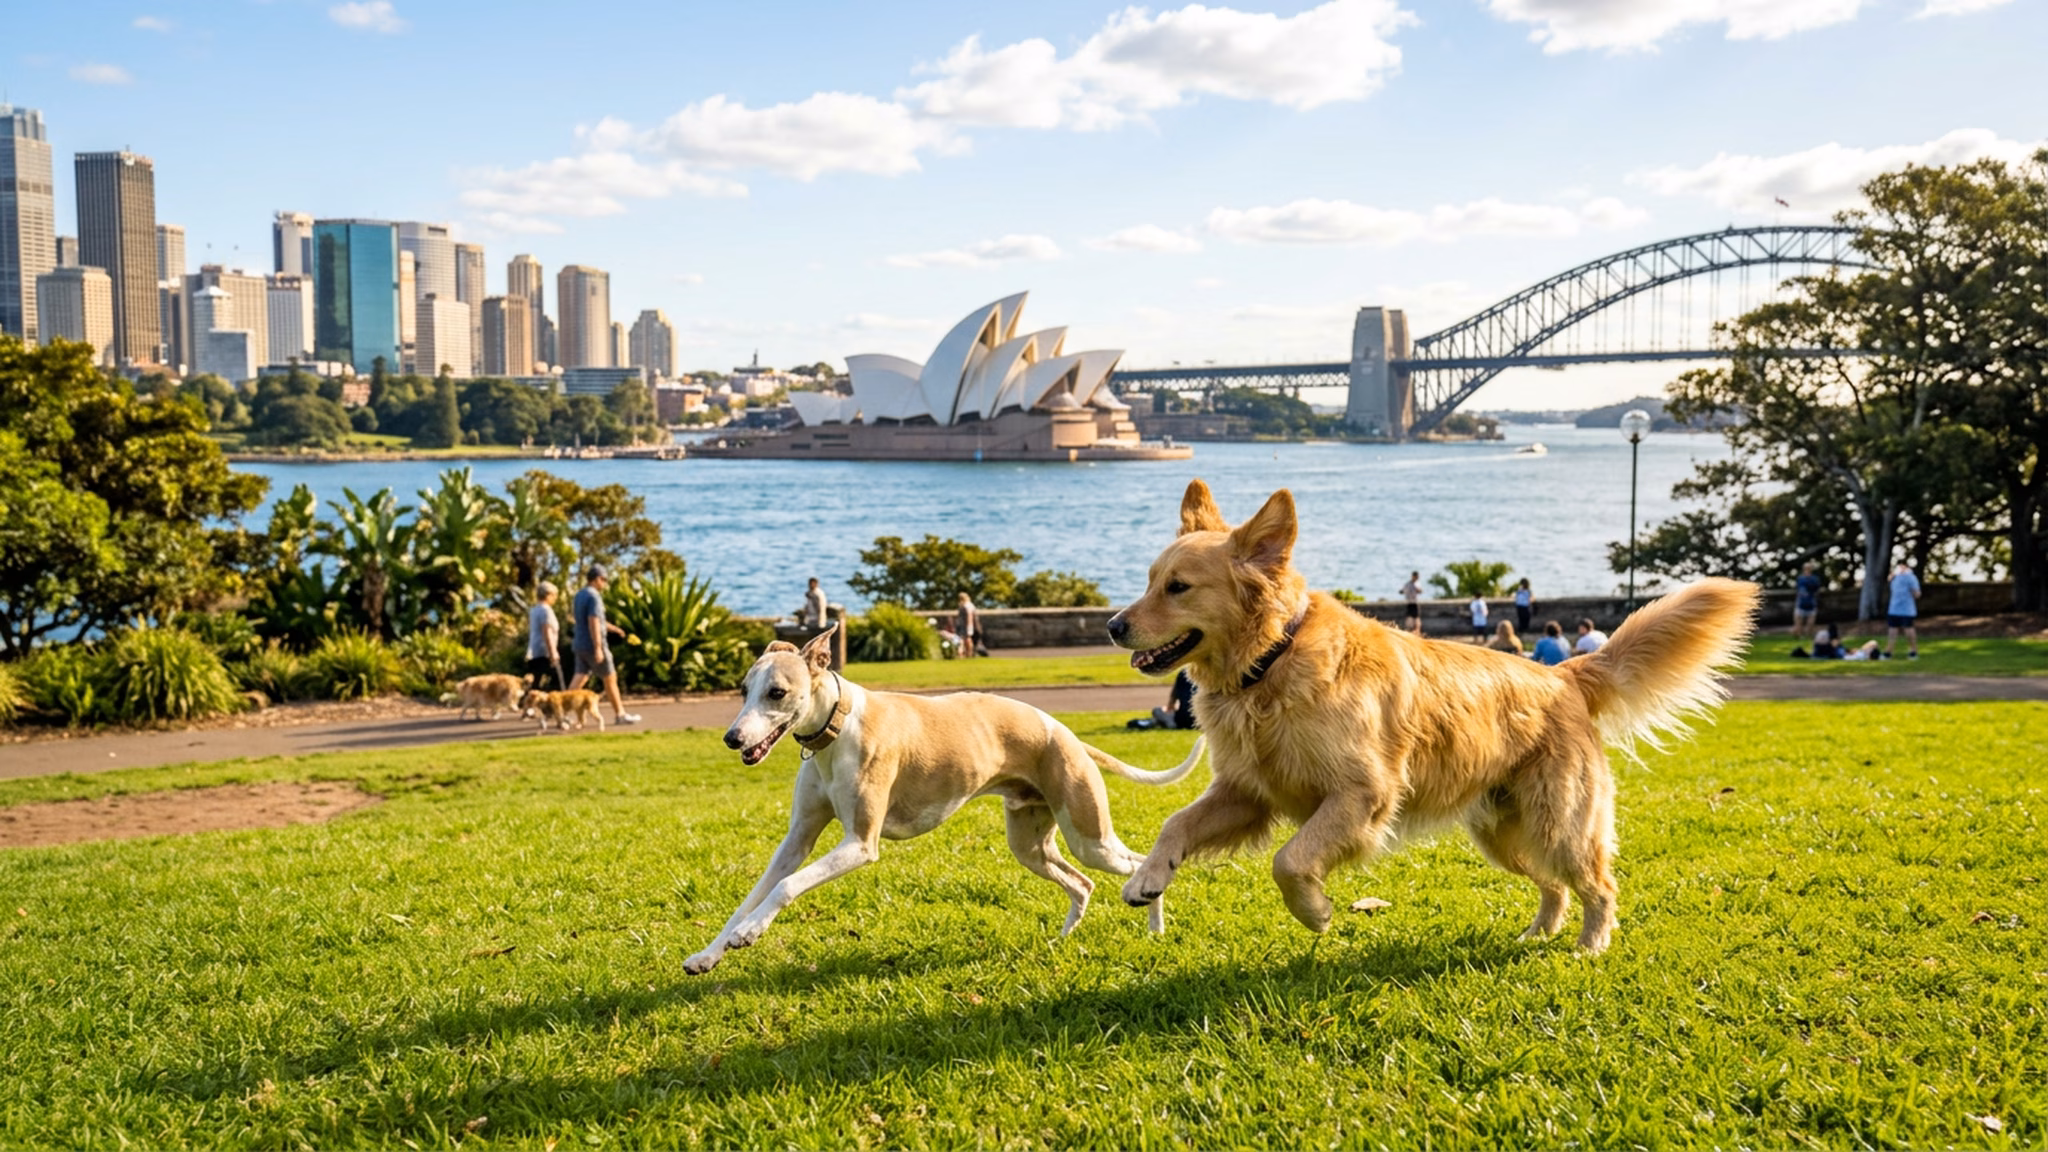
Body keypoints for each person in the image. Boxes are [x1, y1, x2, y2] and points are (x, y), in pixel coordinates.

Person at [568, 564, 641, 724]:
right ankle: (620, 714)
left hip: (579, 643)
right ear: (597, 579)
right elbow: (593, 621)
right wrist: (598, 648)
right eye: (604, 580)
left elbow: (594, 620)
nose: (605, 584)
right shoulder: (594, 597)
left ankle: (564, 712)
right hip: (592, 644)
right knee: (610, 677)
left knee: (580, 677)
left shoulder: (580, 595)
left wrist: (614, 629)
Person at [526, 581, 564, 691]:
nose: (555, 598)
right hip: (544, 652)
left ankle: (529, 706)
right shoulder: (545, 611)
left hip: (534, 651)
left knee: (536, 682)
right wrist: (553, 652)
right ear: (548, 595)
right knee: (552, 682)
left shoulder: (534, 610)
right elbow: (547, 632)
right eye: (554, 595)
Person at [1884, 559, 1920, 660]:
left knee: (1908, 630)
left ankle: (1913, 651)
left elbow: (1917, 594)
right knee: (1892, 630)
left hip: (1907, 610)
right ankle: (1889, 651)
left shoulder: (1911, 578)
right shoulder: (1894, 577)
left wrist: (1911, 590)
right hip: (1894, 609)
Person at [1793, 563, 1822, 639]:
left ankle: (1808, 636)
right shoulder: (1800, 579)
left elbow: (1817, 591)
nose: (1807, 569)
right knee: (1798, 622)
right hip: (1800, 603)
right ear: (1803, 569)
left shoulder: (1814, 579)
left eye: (1809, 568)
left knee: (1810, 623)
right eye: (1806, 568)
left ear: (1811, 569)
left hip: (1811, 604)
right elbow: (1798, 591)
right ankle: (1799, 636)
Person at [955, 591, 982, 658]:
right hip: (967, 625)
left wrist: (968, 626)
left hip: (965, 625)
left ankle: (967, 654)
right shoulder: (968, 605)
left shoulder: (966, 605)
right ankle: (968, 654)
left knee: (966, 639)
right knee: (966, 640)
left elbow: (969, 616)